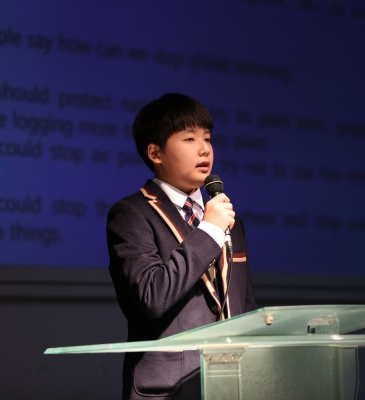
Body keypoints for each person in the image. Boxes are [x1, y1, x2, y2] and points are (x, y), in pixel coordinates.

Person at [107, 93, 257, 400]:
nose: (204, 149)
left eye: (207, 138)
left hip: (231, 384)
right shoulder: (131, 215)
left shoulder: (229, 221)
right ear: (155, 153)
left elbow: (245, 308)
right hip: (167, 390)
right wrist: (209, 230)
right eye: (189, 139)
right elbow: (152, 296)